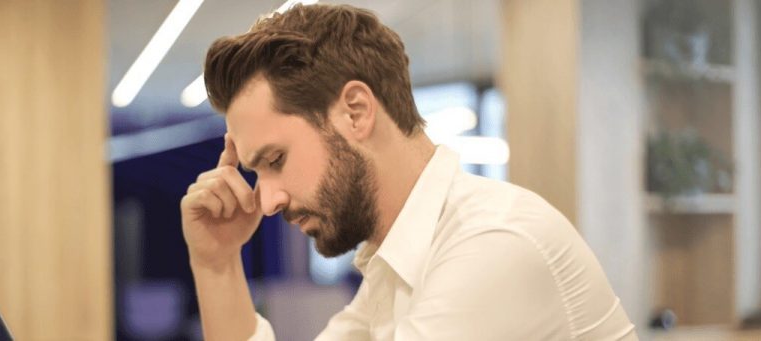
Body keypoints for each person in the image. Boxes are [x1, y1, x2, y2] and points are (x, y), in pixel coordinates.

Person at [179, 3, 637, 340]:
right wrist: (216, 263)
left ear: (356, 112)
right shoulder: (393, 270)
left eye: (276, 161)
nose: (268, 199)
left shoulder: (493, 244)